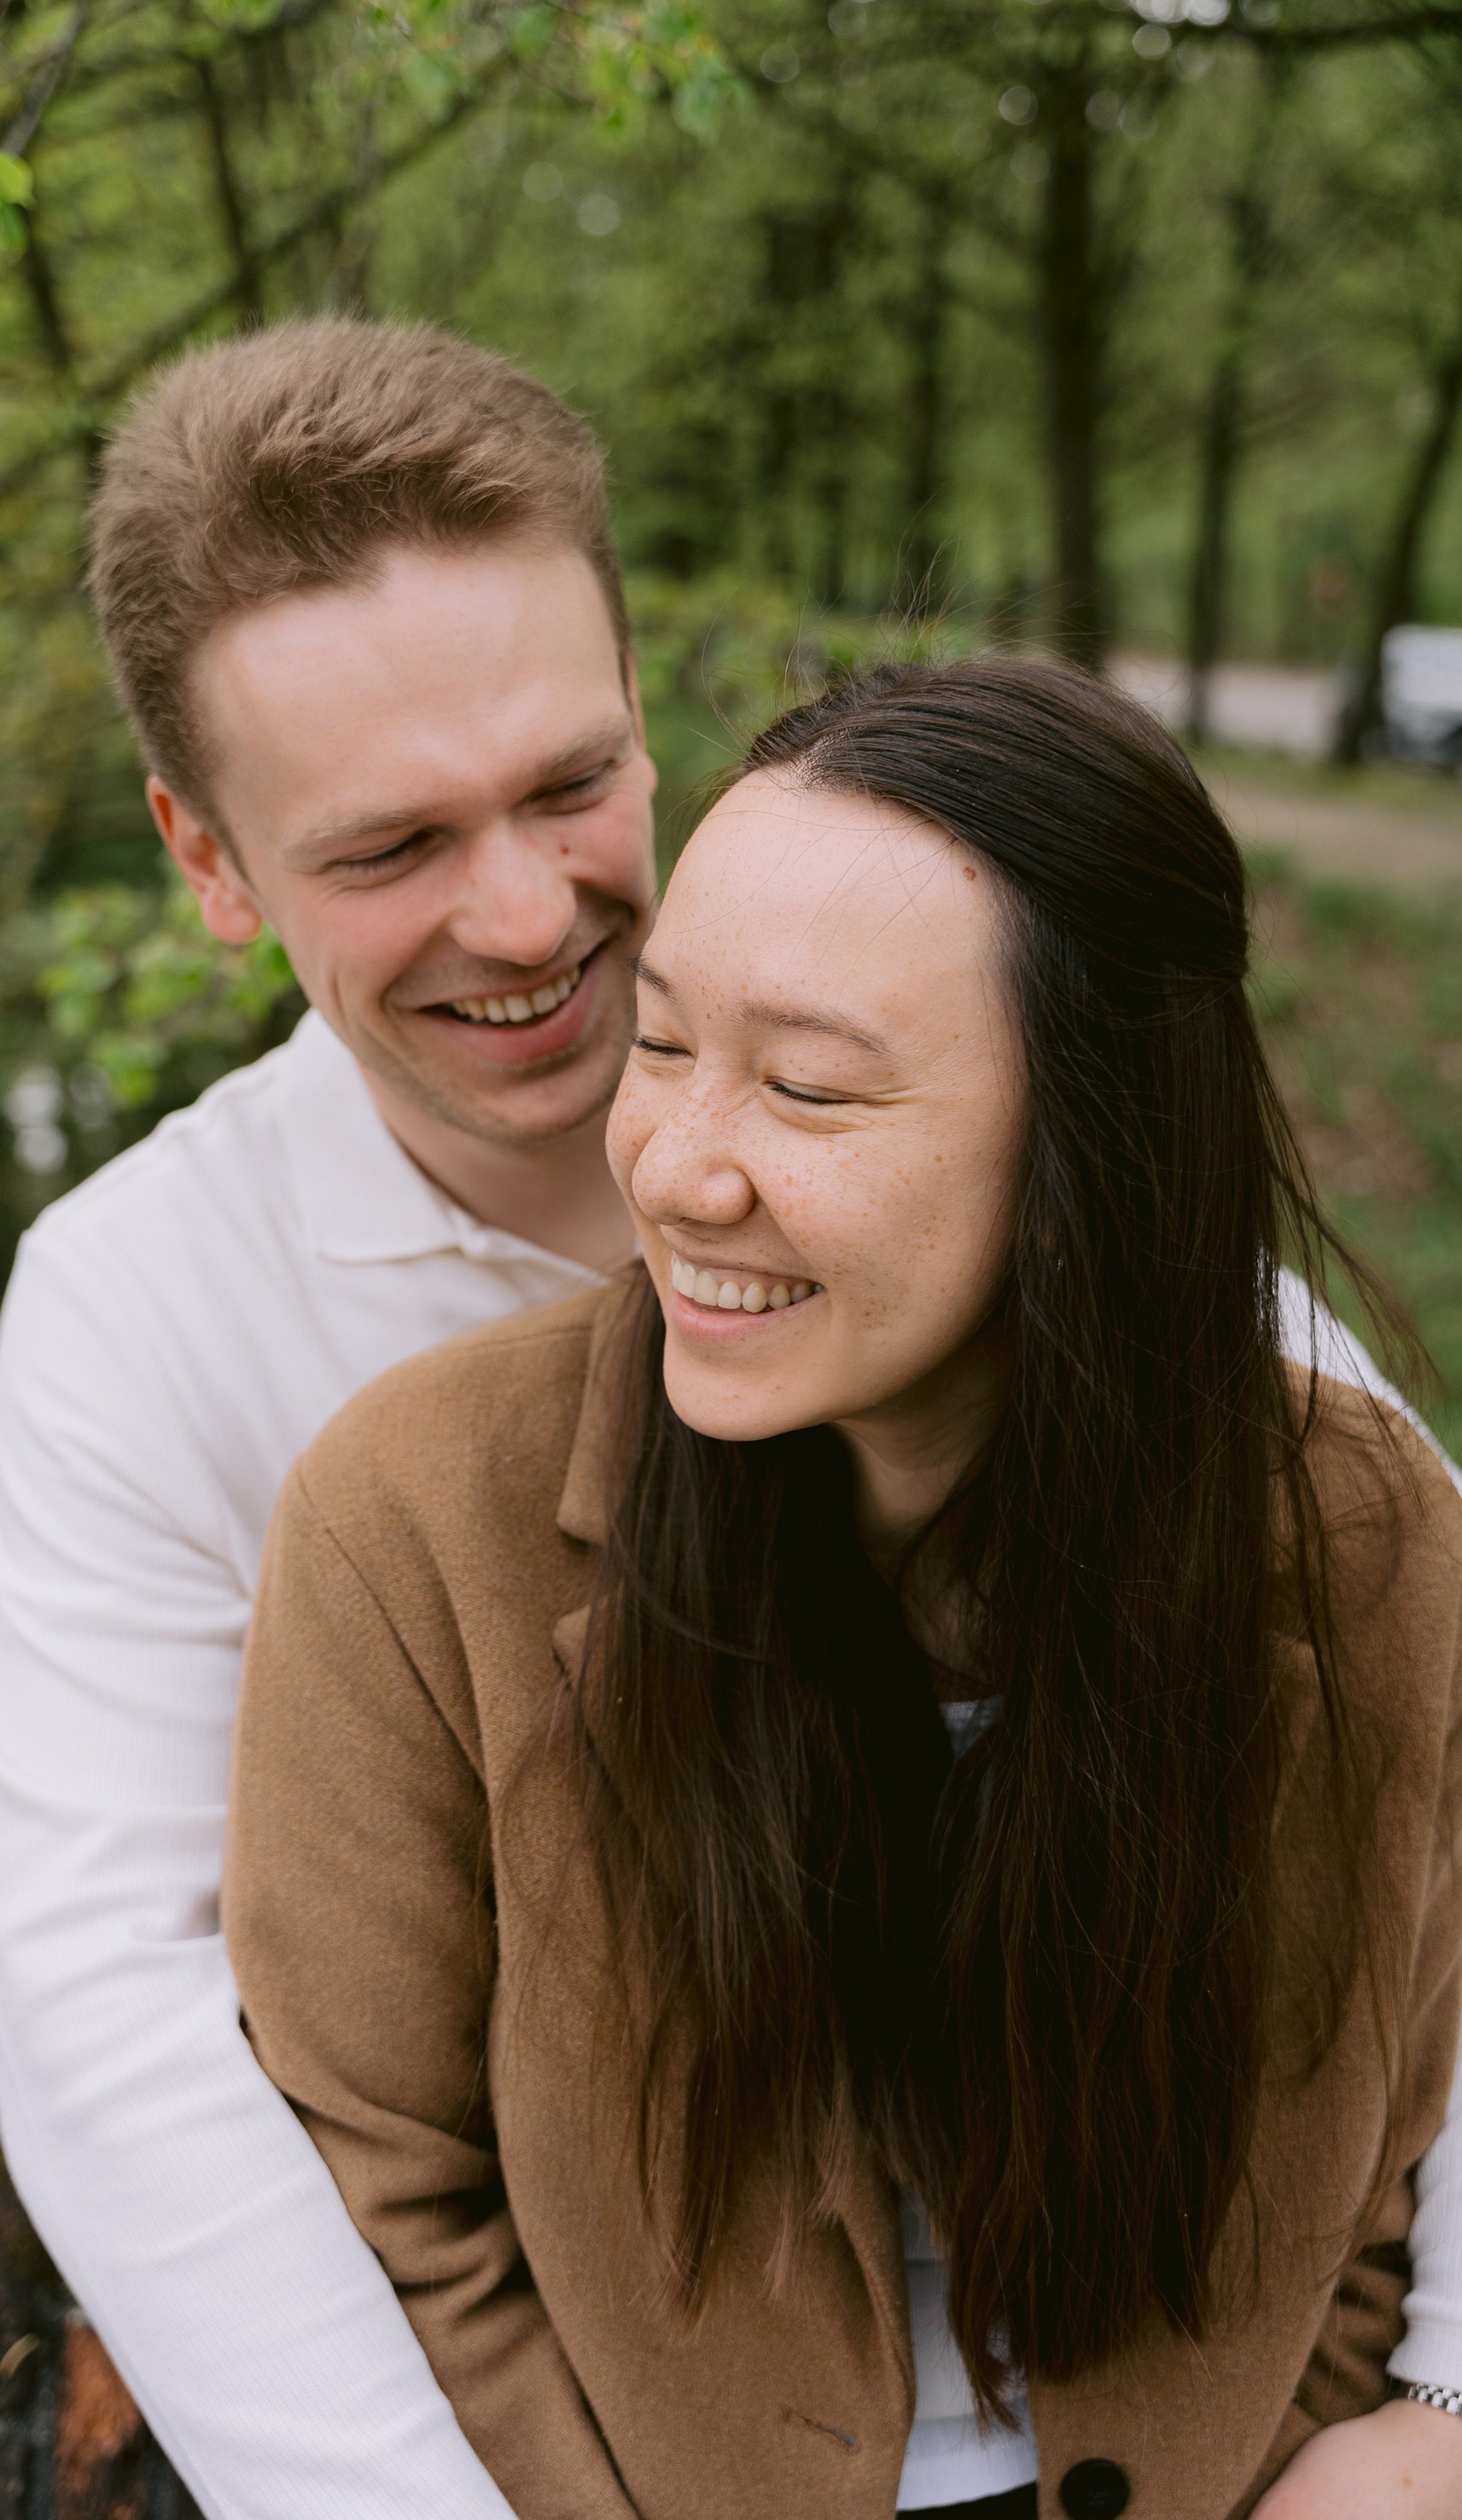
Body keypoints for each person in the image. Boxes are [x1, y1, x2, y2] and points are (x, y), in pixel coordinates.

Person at [224, 657, 1462, 2520]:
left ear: (1091, 1144)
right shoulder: (406, 1529)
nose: (677, 1162)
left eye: (806, 1087)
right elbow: (388, 2181)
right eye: (659, 1043)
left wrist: (1365, 2441)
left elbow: (1374, 2133)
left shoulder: (1360, 1536)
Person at [0, 317, 654, 2518]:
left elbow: (1427, 1684)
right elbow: (116, 2026)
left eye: (572, 782)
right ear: (209, 858)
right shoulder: (138, 1304)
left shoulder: (981, 1105)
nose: (530, 916)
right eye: (392, 847)